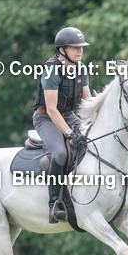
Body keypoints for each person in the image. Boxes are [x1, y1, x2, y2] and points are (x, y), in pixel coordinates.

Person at [33, 26, 92, 223]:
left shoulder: (81, 68)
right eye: (74, 47)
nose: (80, 51)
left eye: (81, 47)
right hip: (46, 119)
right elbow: (51, 109)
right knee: (60, 154)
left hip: (69, 116)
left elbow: (87, 100)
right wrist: (68, 132)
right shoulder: (51, 71)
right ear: (62, 50)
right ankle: (54, 204)